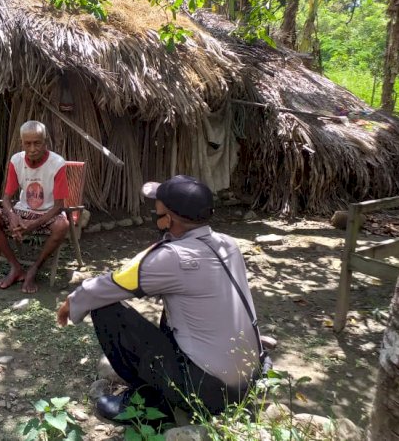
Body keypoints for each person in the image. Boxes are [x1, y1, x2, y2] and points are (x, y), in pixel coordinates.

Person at [56, 175, 262, 422]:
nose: (154, 209)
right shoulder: (228, 244)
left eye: (158, 207)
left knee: (104, 307)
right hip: (247, 380)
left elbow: (108, 285)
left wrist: (72, 301)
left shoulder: (172, 257)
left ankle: (148, 402)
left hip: (209, 391)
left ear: (170, 220)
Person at [0, 120, 70, 293]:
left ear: (45, 142)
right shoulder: (16, 160)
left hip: (48, 213)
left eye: (37, 143)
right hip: (22, 211)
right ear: (21, 143)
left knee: (63, 225)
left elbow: (59, 206)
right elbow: (6, 198)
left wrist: (33, 225)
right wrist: (12, 216)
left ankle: (34, 268)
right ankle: (15, 267)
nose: (32, 148)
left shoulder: (57, 163)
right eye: (27, 143)